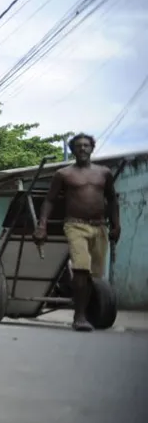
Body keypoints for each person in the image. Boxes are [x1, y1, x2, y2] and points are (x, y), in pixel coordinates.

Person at [34, 133, 121, 332]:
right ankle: (79, 316)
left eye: (86, 145)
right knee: (81, 268)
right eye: (79, 146)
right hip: (75, 225)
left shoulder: (104, 173)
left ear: (92, 148)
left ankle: (89, 311)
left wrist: (117, 225)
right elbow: (49, 200)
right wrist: (42, 225)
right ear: (73, 150)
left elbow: (112, 199)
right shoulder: (64, 174)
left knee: (95, 274)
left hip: (100, 226)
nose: (83, 148)